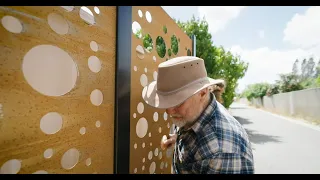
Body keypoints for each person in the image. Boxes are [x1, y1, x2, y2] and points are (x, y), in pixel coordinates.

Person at [142, 56, 254, 174]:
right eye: (166, 101)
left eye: (178, 101)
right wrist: (179, 139)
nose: (169, 111)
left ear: (203, 92)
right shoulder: (196, 112)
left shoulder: (220, 154)